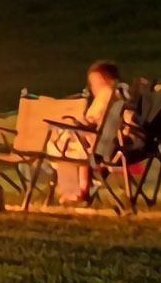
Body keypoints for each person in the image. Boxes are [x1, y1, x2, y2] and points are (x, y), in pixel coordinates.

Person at [51, 60, 136, 203]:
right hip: (112, 144)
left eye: (93, 83)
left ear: (102, 79)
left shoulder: (106, 94)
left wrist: (75, 123)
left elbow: (92, 121)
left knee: (57, 145)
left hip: (99, 146)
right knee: (71, 144)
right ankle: (81, 187)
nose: (91, 88)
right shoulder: (122, 95)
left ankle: (72, 191)